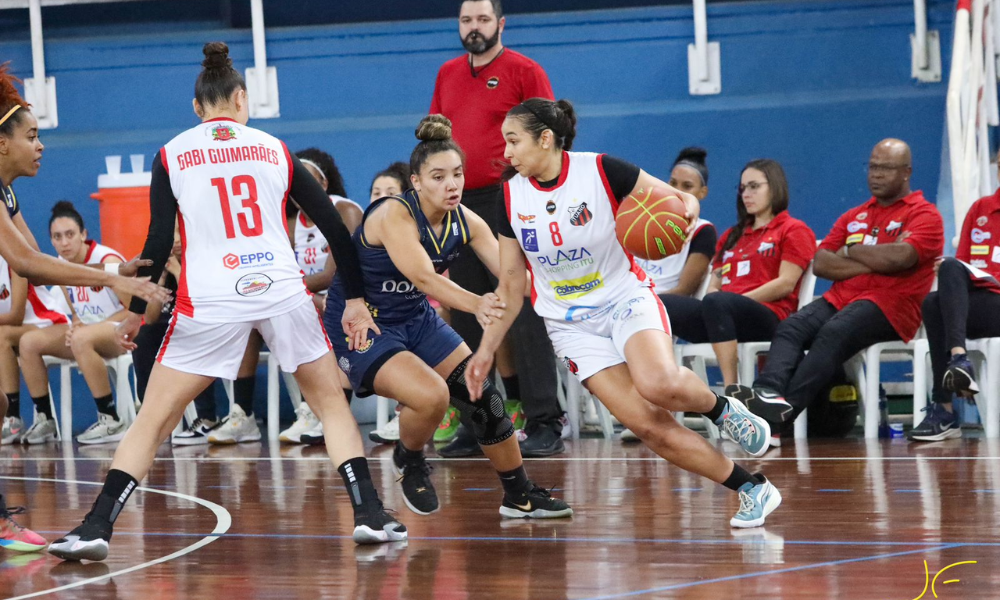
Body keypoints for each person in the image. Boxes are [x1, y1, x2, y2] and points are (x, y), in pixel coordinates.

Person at [48, 43, 404, 562]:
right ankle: (370, 513)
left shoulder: (171, 153)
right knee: (330, 405)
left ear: (197, 108)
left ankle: (97, 525)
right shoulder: (274, 149)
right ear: (242, 100)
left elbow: (153, 247)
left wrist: (132, 307)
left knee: (152, 419)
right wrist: (354, 301)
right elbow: (333, 227)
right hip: (280, 288)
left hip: (210, 295)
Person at [466, 97, 781, 528]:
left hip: (624, 299)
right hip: (569, 325)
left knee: (659, 384)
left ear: (545, 139)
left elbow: (677, 201)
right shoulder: (509, 196)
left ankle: (722, 411)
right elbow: (510, 285)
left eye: (514, 141)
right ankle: (752, 488)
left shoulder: (601, 170)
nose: (506, 153)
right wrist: (485, 351)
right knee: (648, 427)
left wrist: (682, 212)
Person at [324, 114, 571, 519]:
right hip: (365, 321)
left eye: (456, 174)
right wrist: (479, 304)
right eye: (438, 177)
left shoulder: (466, 220)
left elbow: (512, 276)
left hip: (414, 317)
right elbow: (424, 277)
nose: (451, 184)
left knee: (485, 400)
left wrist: (569, 284)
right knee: (430, 397)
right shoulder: (393, 214)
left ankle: (519, 494)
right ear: (416, 183)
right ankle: (410, 458)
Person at [0, 61, 168, 553]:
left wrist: (113, 273)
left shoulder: (6, 194)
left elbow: (35, 264)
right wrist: (110, 276)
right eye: (32, 135)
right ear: (2, 142)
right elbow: (27, 260)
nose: (41, 145)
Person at [736, 139, 944, 435]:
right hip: (841, 298)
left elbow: (903, 256)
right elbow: (821, 262)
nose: (876, 174)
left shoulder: (924, 214)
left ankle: (778, 420)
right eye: (872, 166)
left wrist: (850, 251)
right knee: (791, 327)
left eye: (886, 168)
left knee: (834, 332)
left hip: (891, 305)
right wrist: (878, 258)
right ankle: (766, 395)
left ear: (907, 172)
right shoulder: (854, 215)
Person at [431, 0, 565, 457]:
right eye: (466, 20)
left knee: (520, 308)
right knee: (469, 312)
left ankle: (545, 419)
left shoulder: (524, 70)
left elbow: (553, 133)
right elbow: (437, 138)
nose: (474, 27)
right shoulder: (447, 73)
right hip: (458, 202)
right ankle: (480, 420)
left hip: (511, 197)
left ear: (501, 24)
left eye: (483, 19)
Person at [661, 160, 816, 389]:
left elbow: (785, 283)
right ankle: (660, 388)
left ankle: (731, 388)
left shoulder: (793, 229)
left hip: (769, 316)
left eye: (754, 187)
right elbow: (715, 284)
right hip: (722, 315)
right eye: (743, 188)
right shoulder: (733, 235)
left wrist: (734, 302)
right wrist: (720, 302)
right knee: (659, 304)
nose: (747, 194)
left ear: (774, 187)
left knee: (718, 301)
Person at [18, 201, 133, 445]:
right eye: (57, 237)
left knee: (82, 338)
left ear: (83, 234)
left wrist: (87, 331)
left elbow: (134, 312)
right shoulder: (60, 265)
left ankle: (110, 418)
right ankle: (45, 419)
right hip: (90, 336)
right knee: (28, 342)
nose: (64, 242)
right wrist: (77, 325)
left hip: (123, 332)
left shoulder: (107, 259)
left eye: (70, 235)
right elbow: (78, 312)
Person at [276, 148, 363, 444]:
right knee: (281, 312)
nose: (299, 187)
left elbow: (332, 276)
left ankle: (330, 413)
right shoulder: (289, 223)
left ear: (324, 184)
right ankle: (309, 410)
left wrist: (290, 290)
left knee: (314, 309)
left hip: (351, 297)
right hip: (307, 300)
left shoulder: (344, 211)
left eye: (307, 179)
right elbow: (280, 274)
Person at [911, 156, 1000, 441]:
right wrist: (952, 269)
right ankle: (959, 362)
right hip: (977, 300)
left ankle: (945, 407)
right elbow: (962, 263)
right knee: (936, 296)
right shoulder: (981, 209)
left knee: (936, 305)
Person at [0, 253, 69, 443]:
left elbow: (16, 315)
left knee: (2, 337)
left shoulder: (14, 261)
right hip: (17, 331)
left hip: (48, 323)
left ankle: (12, 417)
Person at [634, 147, 717, 297]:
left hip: (664, 302)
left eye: (687, 186)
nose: (677, 191)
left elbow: (684, 290)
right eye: (673, 183)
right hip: (626, 299)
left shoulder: (703, 231)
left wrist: (645, 302)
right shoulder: (641, 219)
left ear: (702, 192)